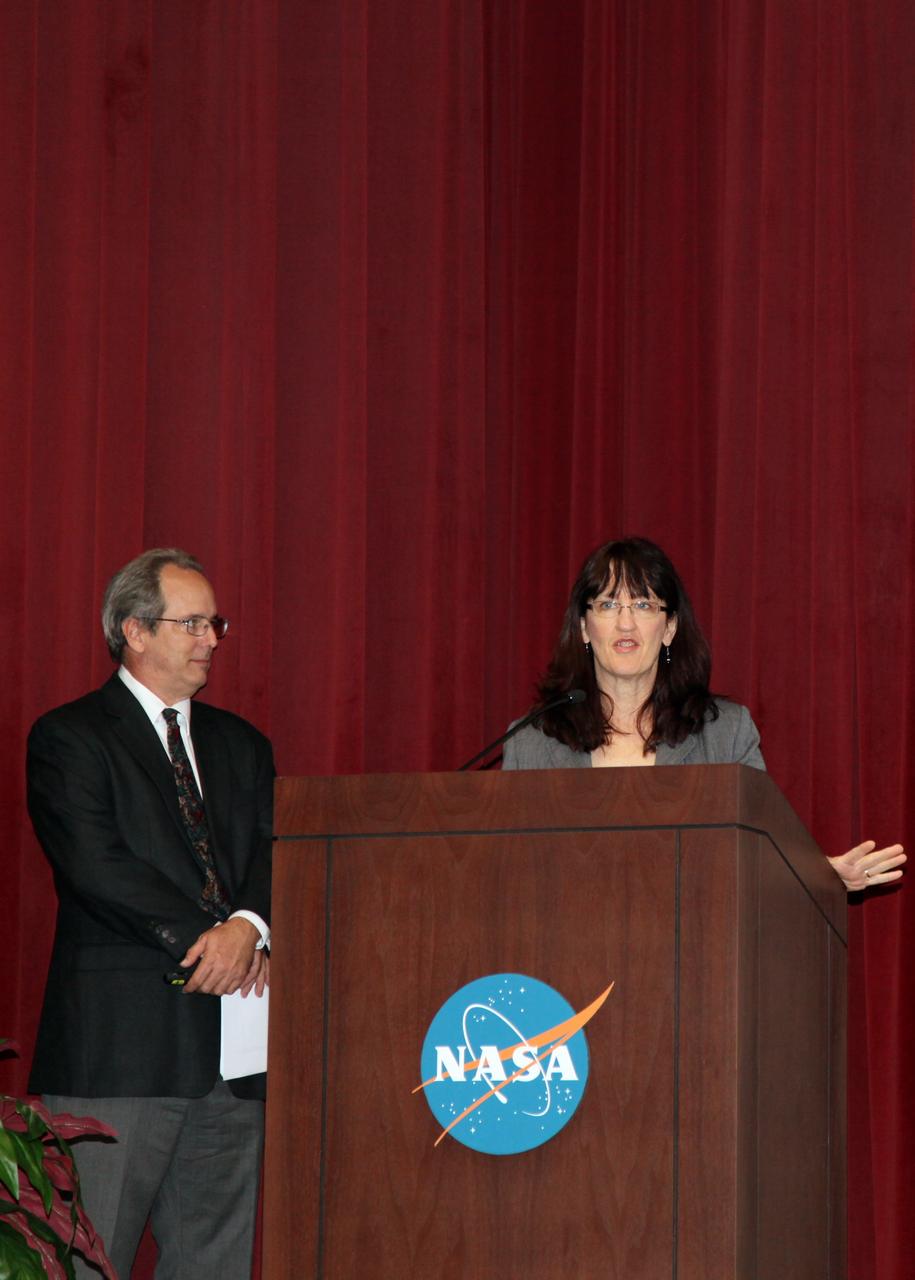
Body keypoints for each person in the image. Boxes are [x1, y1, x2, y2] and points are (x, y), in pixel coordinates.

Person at [27, 548, 274, 1279]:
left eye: (215, 623)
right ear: (134, 630)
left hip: (231, 1055)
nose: (211, 639)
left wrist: (249, 928)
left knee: (214, 1261)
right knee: (89, 1256)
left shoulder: (242, 743)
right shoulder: (70, 735)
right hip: (119, 1050)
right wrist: (209, 937)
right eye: (192, 623)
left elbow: (273, 849)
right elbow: (95, 864)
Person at [502, 536, 905, 892]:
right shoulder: (532, 743)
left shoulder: (725, 734)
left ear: (670, 627)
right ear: (585, 627)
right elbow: (505, 869)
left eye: (643, 604)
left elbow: (760, 852)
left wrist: (820, 875)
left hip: (696, 954)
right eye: (608, 604)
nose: (626, 623)